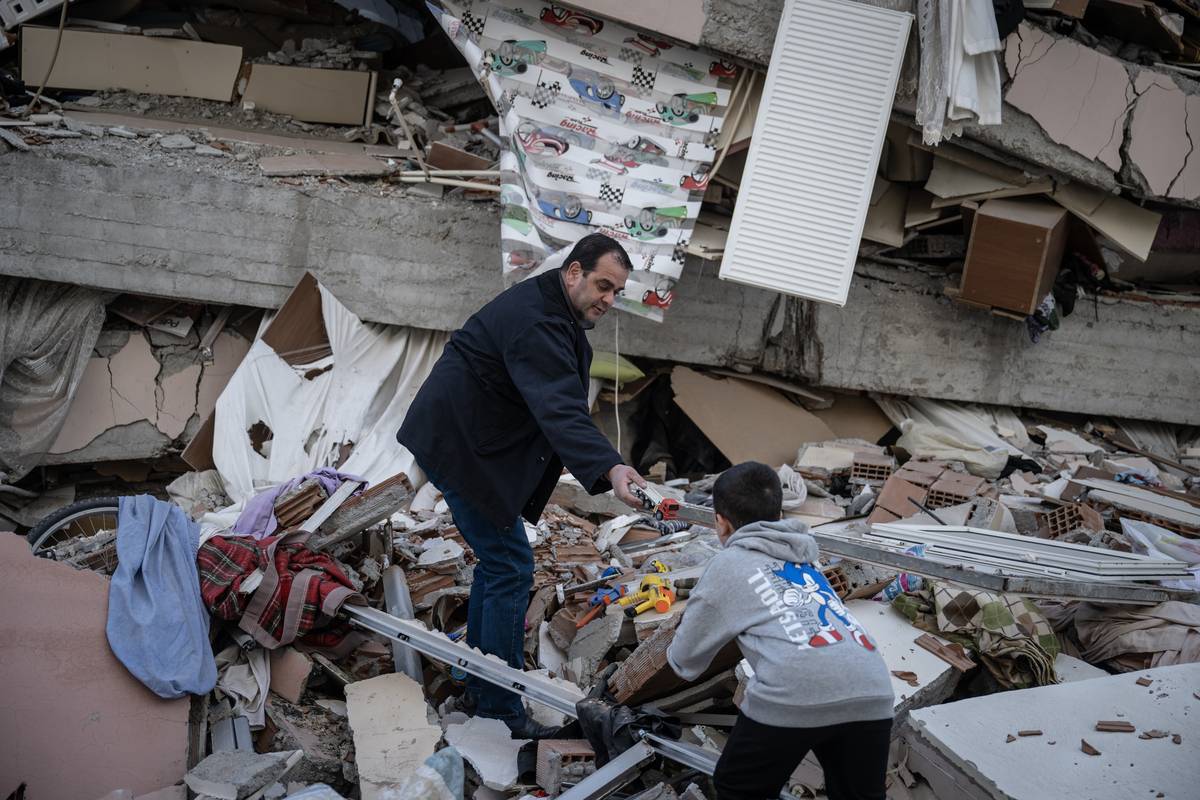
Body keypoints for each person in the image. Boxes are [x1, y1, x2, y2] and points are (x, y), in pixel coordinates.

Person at [397, 233, 646, 739]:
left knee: (501, 563)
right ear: (573, 272)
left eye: (617, 291)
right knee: (510, 564)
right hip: (459, 445)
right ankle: (498, 706)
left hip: (468, 440)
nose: (608, 299)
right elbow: (559, 407)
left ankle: (482, 680)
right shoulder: (538, 321)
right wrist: (612, 468)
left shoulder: (553, 309)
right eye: (603, 285)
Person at [665, 462, 894, 800]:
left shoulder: (729, 564)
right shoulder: (803, 557)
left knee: (737, 788)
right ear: (778, 510)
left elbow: (685, 662)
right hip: (873, 687)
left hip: (795, 686)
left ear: (720, 521)